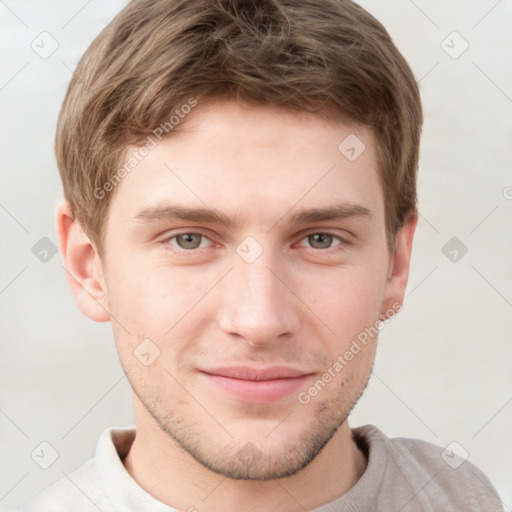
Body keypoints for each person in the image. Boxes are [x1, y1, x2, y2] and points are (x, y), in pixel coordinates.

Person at [19, 0, 504, 510]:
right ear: (87, 266)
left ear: (396, 263)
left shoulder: (462, 498)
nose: (259, 320)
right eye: (189, 239)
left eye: (321, 239)